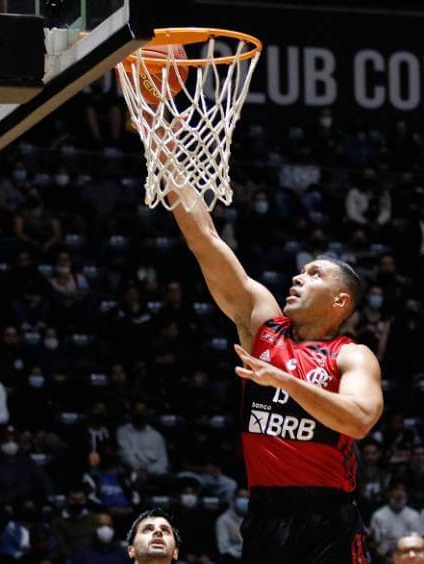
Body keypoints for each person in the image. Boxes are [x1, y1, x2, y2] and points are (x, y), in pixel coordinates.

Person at [163, 146, 383, 563]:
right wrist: (166, 157)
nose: (299, 276)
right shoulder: (263, 324)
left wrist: (282, 380)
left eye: (314, 274)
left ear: (340, 301)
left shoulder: (351, 356)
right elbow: (205, 240)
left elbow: (357, 420)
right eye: (301, 271)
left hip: (328, 515)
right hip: (265, 511)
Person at [370, 482, 424, 559]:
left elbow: (420, 541)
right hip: (386, 558)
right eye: (396, 490)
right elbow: (375, 543)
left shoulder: (414, 515)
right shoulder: (378, 516)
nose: (399, 493)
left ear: (406, 494)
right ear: (389, 494)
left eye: (402, 490)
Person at [215, 489, 249, 563]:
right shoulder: (223, 520)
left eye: (247, 497)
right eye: (241, 496)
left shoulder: (254, 519)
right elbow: (224, 549)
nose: (244, 500)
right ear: (234, 499)